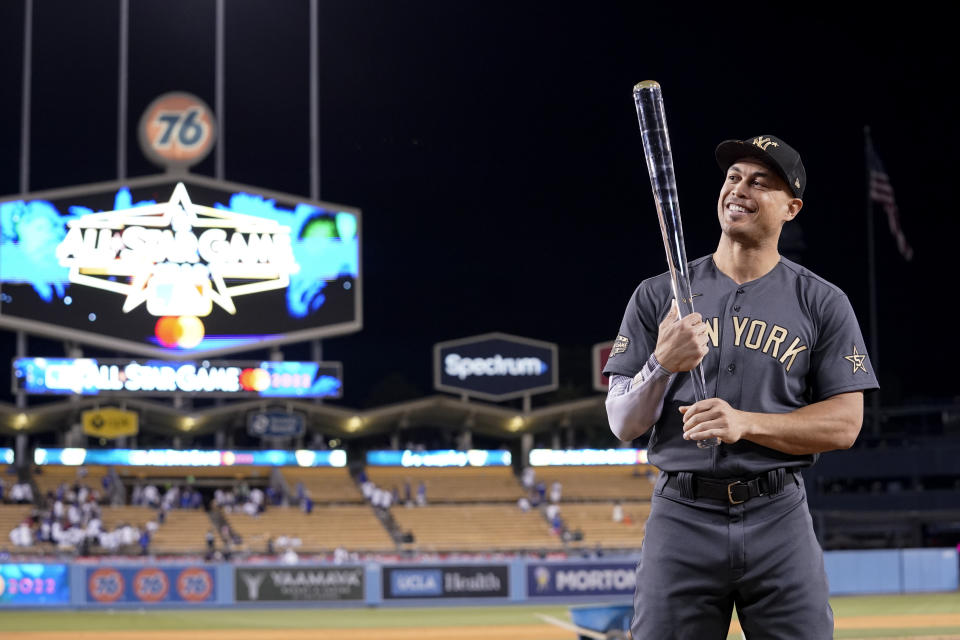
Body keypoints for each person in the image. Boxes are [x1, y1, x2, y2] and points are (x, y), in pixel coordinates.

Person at [603, 134, 879, 639]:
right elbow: (622, 421)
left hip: (779, 514)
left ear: (791, 207)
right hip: (681, 515)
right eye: (733, 177)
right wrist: (662, 364)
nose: (740, 188)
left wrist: (744, 422)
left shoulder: (821, 301)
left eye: (761, 182)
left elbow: (845, 425)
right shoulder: (657, 295)